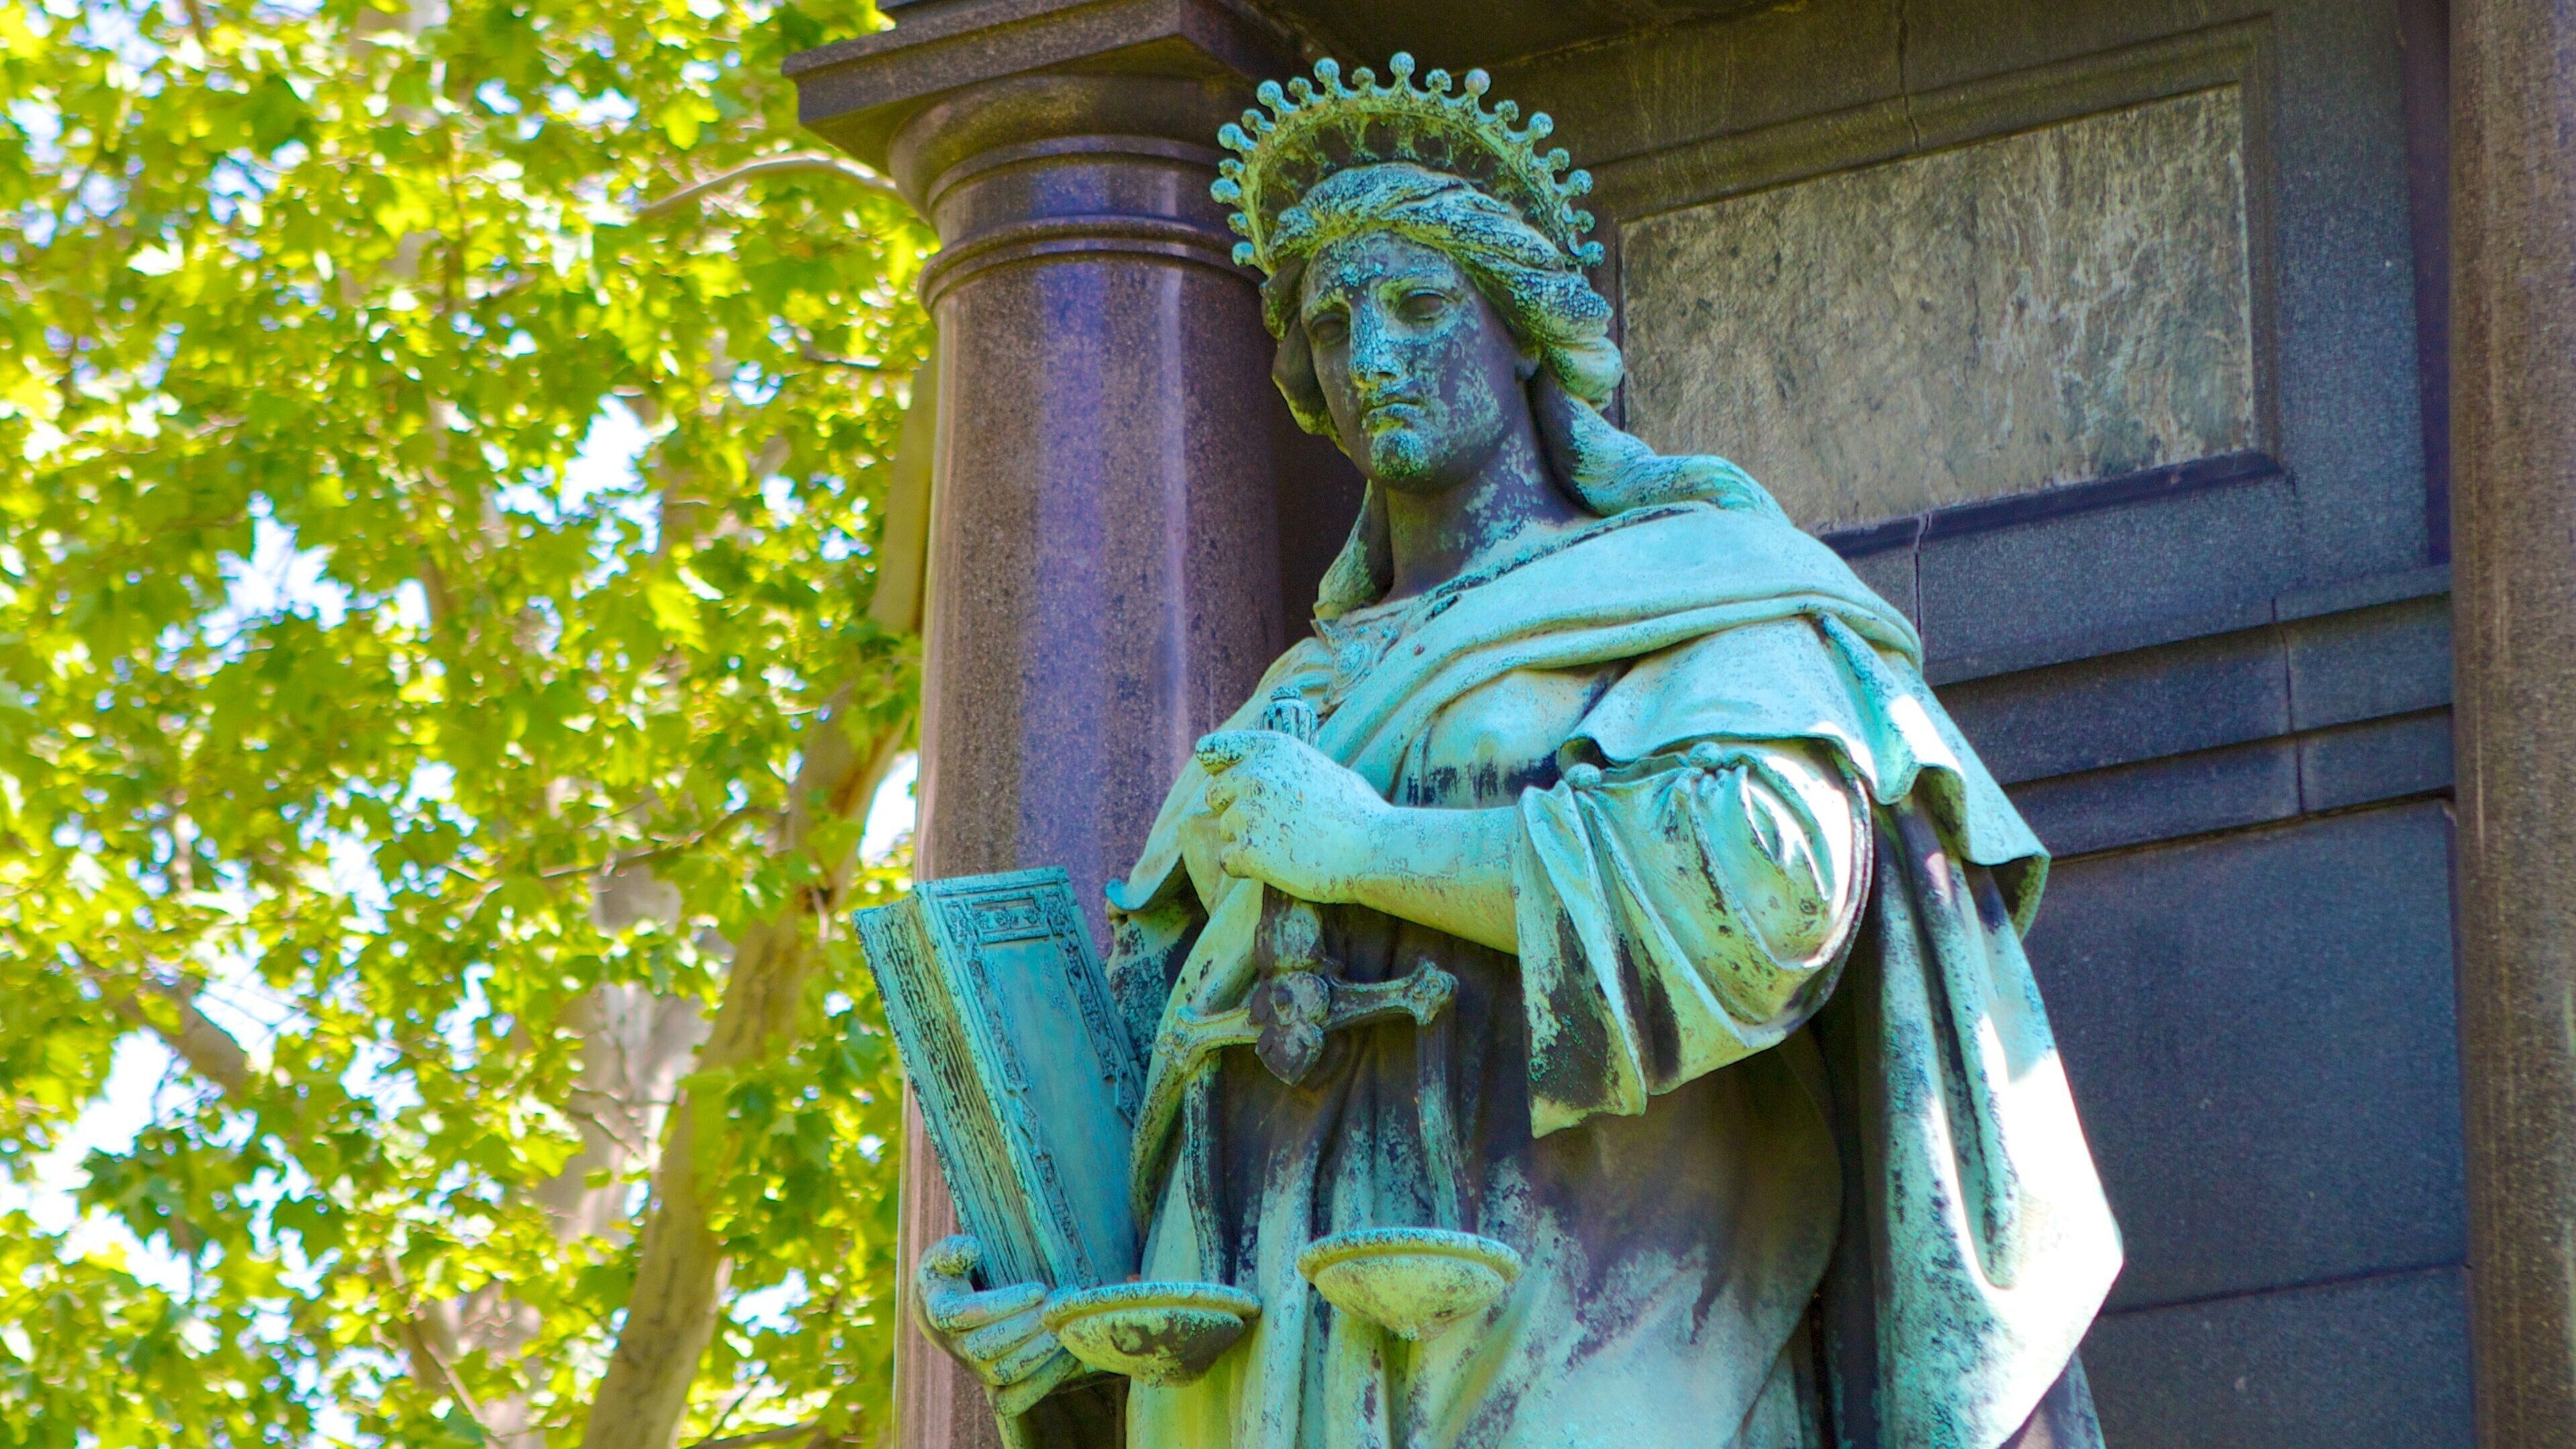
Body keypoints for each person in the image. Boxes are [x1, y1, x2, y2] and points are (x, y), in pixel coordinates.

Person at [918, 56, 2121, 1449]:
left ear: (1525, 334)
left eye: (1423, 307)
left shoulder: (1695, 589)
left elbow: (1769, 885)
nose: (1371, 356)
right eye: (1333, 322)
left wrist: (1368, 849)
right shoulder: (1285, 708)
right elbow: (1165, 1086)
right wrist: (1055, 1314)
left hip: (1588, 1330)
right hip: (1271, 1390)